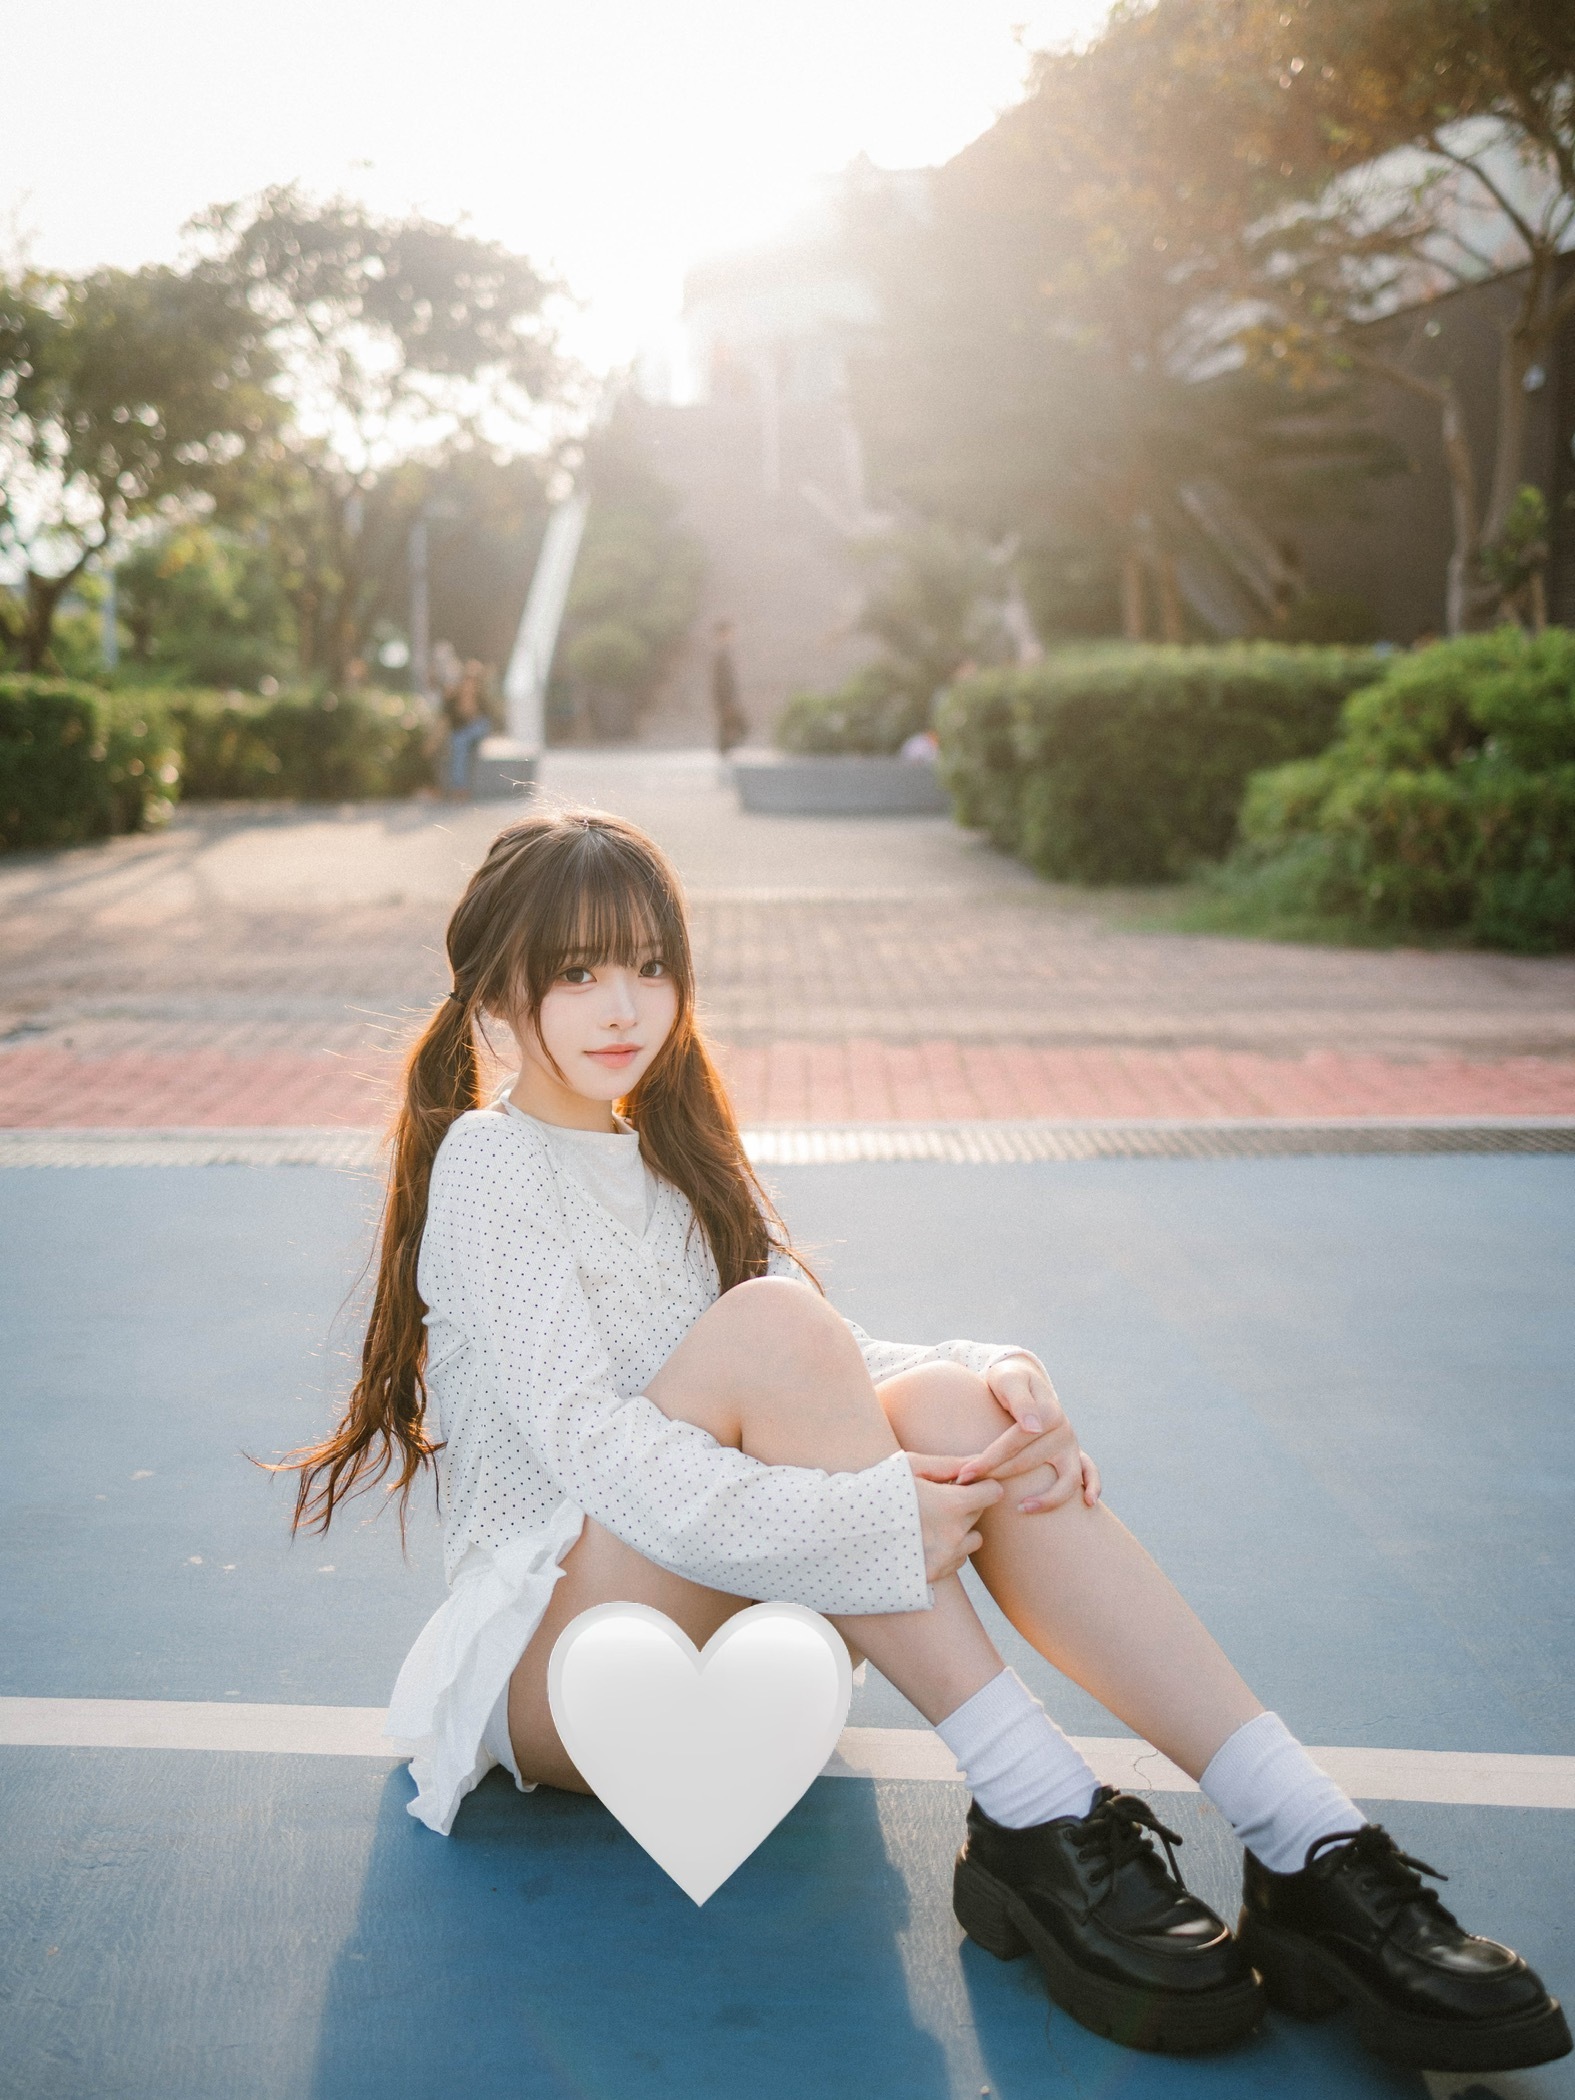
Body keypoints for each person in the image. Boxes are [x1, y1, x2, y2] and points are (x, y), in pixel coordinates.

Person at [286, 809, 1569, 2074]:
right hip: (557, 1656)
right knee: (778, 1329)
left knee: (955, 1407)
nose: (624, 1005)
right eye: (577, 972)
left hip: (695, 1595)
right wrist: (861, 1517)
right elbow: (598, 1447)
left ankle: (1306, 1841)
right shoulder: (491, 1164)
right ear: (495, 992)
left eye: (650, 964)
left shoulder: (672, 1156)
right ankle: (1036, 1804)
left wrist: (991, 1372)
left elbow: (829, 1365)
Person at [442, 659, 492, 800]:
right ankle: (460, 788)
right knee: (458, 742)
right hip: (463, 731)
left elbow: (482, 717)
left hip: (479, 727)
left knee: (460, 739)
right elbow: (450, 718)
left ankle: (460, 787)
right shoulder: (454, 696)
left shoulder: (480, 695)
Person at [710, 619, 747, 754]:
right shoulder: (721, 655)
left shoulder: (724, 653)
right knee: (731, 725)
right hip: (725, 698)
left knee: (727, 727)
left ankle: (725, 752)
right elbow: (721, 682)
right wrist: (727, 701)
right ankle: (725, 752)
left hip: (726, 698)